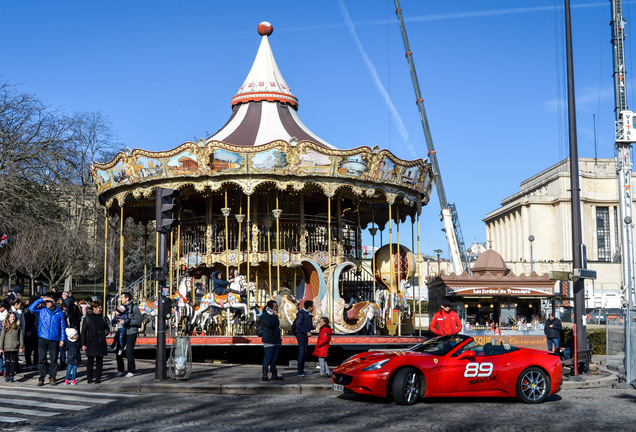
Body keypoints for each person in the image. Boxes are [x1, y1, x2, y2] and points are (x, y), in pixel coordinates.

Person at [28, 296, 66, 386]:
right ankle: (41, 377)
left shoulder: (59, 313)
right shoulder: (42, 310)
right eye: (46, 302)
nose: (47, 303)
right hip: (43, 337)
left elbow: (62, 327)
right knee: (42, 359)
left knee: (53, 359)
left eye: (49, 302)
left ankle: (52, 377)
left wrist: (62, 339)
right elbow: (31, 308)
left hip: (54, 339)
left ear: (53, 302)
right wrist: (41, 300)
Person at [115, 292, 142, 378]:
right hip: (122, 332)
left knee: (129, 352)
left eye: (122, 297)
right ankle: (120, 369)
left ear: (127, 298)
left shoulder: (134, 307)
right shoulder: (121, 308)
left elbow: (139, 321)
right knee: (119, 351)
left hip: (131, 332)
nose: (121, 299)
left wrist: (128, 322)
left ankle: (131, 370)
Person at [81, 301, 109, 384]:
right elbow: (83, 332)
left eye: (101, 308)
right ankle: (89, 378)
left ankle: (98, 378)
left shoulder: (102, 317)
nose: (100, 309)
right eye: (99, 308)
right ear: (94, 308)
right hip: (91, 342)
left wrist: (104, 333)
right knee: (90, 361)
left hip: (100, 341)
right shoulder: (88, 318)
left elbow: (107, 328)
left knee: (99, 361)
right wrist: (83, 343)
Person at [260, 300, 283, 382]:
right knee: (268, 358)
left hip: (276, 340)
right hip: (268, 339)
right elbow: (271, 324)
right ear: (270, 307)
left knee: (274, 359)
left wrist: (280, 340)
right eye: (275, 307)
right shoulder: (265, 315)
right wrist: (275, 316)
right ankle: (265, 374)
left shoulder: (274, 316)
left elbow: (277, 328)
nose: (276, 308)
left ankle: (274, 374)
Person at [0, 312, 24, 382]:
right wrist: (1, 348)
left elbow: (21, 337)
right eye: (11, 317)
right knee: (7, 362)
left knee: (13, 362)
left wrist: (21, 347)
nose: (12, 318)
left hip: (15, 347)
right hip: (7, 347)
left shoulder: (18, 326)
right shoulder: (5, 326)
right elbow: (2, 338)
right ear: (8, 318)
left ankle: (12, 376)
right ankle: (7, 375)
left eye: (13, 316)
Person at [294, 300, 314, 377]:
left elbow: (309, 325)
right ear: (309, 307)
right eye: (312, 306)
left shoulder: (309, 314)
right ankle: (299, 371)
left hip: (305, 334)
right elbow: (298, 325)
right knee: (302, 351)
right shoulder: (302, 314)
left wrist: (313, 326)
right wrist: (306, 332)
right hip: (301, 334)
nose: (313, 308)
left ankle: (301, 370)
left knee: (304, 352)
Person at [23, 296, 39, 371]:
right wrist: (27, 330)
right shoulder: (29, 311)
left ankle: (36, 363)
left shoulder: (38, 310)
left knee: (36, 349)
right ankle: (29, 363)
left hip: (37, 332)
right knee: (28, 349)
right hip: (30, 332)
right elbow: (26, 321)